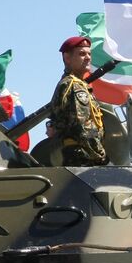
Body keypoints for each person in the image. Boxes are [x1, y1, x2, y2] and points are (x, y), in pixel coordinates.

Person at [46, 37, 107, 167]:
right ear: (67, 58)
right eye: (82, 54)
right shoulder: (73, 86)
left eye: (89, 54)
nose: (88, 58)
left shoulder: (76, 84)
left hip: (81, 156)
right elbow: (83, 127)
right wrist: (101, 156)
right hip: (83, 157)